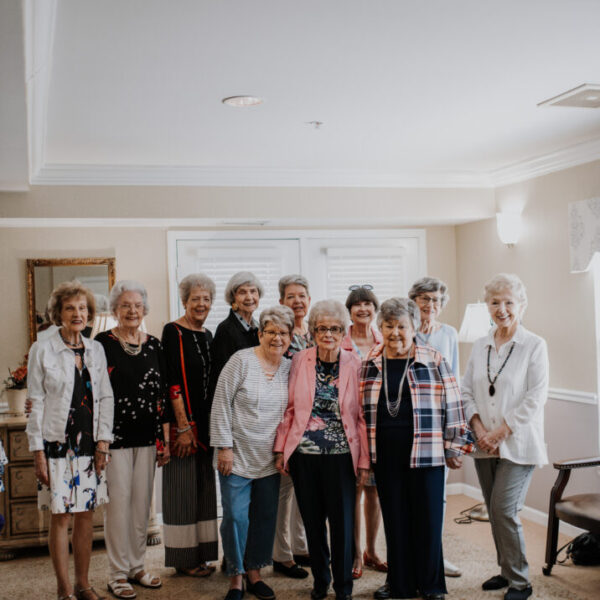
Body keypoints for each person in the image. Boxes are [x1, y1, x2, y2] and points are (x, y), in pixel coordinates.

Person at [360, 298, 473, 600]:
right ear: (380, 328)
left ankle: (432, 585)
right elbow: (359, 410)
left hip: (427, 452)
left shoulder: (433, 358)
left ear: (413, 328)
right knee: (395, 520)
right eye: (389, 326)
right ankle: (399, 584)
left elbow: (454, 403)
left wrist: (455, 446)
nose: (395, 332)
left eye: (402, 326)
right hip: (384, 454)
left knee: (428, 520)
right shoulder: (370, 361)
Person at [274, 299, 370, 600]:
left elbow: (362, 418)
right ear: (313, 331)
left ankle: (343, 586)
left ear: (344, 332)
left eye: (335, 328)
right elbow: (290, 409)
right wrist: (281, 448)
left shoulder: (356, 364)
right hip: (304, 455)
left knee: (341, 525)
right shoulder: (300, 360)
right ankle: (321, 579)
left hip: (342, 456)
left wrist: (364, 461)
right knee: (313, 523)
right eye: (322, 328)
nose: (328, 333)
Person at [461, 274, 548, 600]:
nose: (502, 309)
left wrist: (500, 431)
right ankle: (505, 570)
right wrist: (480, 429)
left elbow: (536, 397)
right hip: (484, 441)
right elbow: (467, 390)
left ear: (521, 306)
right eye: (495, 302)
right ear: (488, 306)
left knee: (503, 509)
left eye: (509, 302)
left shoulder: (534, 345)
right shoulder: (481, 344)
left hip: (518, 443)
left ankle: (521, 581)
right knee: (493, 507)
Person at [26, 281, 113, 600]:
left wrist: (104, 442)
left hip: (90, 444)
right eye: (70, 308)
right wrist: (37, 451)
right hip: (55, 444)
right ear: (58, 313)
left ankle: (83, 583)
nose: (78, 314)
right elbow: (34, 400)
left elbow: (106, 396)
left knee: (86, 514)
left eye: (83, 309)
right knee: (60, 515)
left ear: (89, 314)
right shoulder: (42, 349)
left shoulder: (96, 349)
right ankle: (64, 588)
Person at [211, 305, 295, 600]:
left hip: (270, 458)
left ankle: (255, 573)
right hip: (236, 454)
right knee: (235, 517)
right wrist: (224, 448)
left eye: (283, 333)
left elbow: (292, 413)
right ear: (260, 334)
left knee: (264, 516)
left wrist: (284, 450)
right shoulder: (241, 361)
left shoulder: (290, 368)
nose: (276, 338)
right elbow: (221, 403)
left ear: (291, 337)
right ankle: (235, 576)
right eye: (270, 331)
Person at [95, 280, 168, 599]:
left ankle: (138, 566)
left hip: (147, 436)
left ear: (145, 309)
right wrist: (100, 440)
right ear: (115, 310)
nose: (132, 311)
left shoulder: (154, 345)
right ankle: (117, 572)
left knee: (141, 505)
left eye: (137, 305)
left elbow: (162, 393)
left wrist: (163, 436)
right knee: (118, 506)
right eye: (125, 305)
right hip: (114, 438)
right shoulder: (101, 343)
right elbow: (94, 390)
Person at [161, 274, 219, 577]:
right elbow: (171, 381)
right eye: (195, 298)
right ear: (185, 301)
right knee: (181, 491)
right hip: (184, 425)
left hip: (206, 426)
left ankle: (204, 554)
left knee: (204, 491)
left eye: (206, 298)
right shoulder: (173, 331)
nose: (201, 304)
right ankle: (184, 558)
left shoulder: (208, 335)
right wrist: (183, 427)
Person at [409, 276, 461, 578]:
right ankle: (409, 557)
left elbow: (453, 381)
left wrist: (454, 434)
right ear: (414, 300)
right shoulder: (403, 329)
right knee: (407, 495)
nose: (430, 305)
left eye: (436, 301)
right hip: (407, 423)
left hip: (438, 425)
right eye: (425, 299)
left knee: (436, 497)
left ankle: (435, 558)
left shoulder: (449, 334)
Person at [341, 285, 385, 580]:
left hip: (381, 426)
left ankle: (372, 550)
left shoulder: (386, 338)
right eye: (357, 304)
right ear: (350, 310)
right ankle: (355, 553)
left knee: (375, 492)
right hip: (348, 425)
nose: (362, 309)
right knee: (352, 491)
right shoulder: (339, 339)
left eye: (368, 304)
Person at [272, 275, 312, 579]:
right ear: (282, 301)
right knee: (283, 490)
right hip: (283, 420)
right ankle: (281, 555)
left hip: (312, 424)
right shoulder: (279, 334)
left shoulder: (316, 331)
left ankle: (302, 546)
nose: (297, 301)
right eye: (290, 296)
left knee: (304, 491)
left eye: (302, 295)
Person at [209, 271, 263, 398]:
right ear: (233, 298)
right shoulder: (225, 330)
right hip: (235, 404)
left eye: (253, 291)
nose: (249, 297)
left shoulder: (259, 328)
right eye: (242, 292)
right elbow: (223, 378)